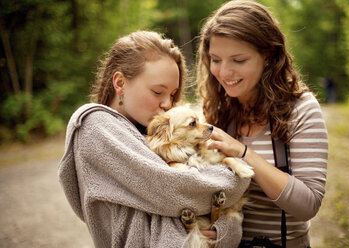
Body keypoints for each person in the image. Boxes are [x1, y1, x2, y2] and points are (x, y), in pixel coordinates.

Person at [58, 30, 251, 248]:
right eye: (158, 92)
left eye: (172, 94)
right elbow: (180, 190)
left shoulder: (150, 133)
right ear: (120, 83)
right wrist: (236, 177)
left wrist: (222, 230)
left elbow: (216, 204)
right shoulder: (95, 125)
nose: (168, 104)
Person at [196, 1, 328, 247]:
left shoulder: (301, 110)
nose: (224, 73)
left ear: (267, 57)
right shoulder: (216, 109)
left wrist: (243, 152)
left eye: (238, 60)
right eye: (216, 59)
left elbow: (308, 205)